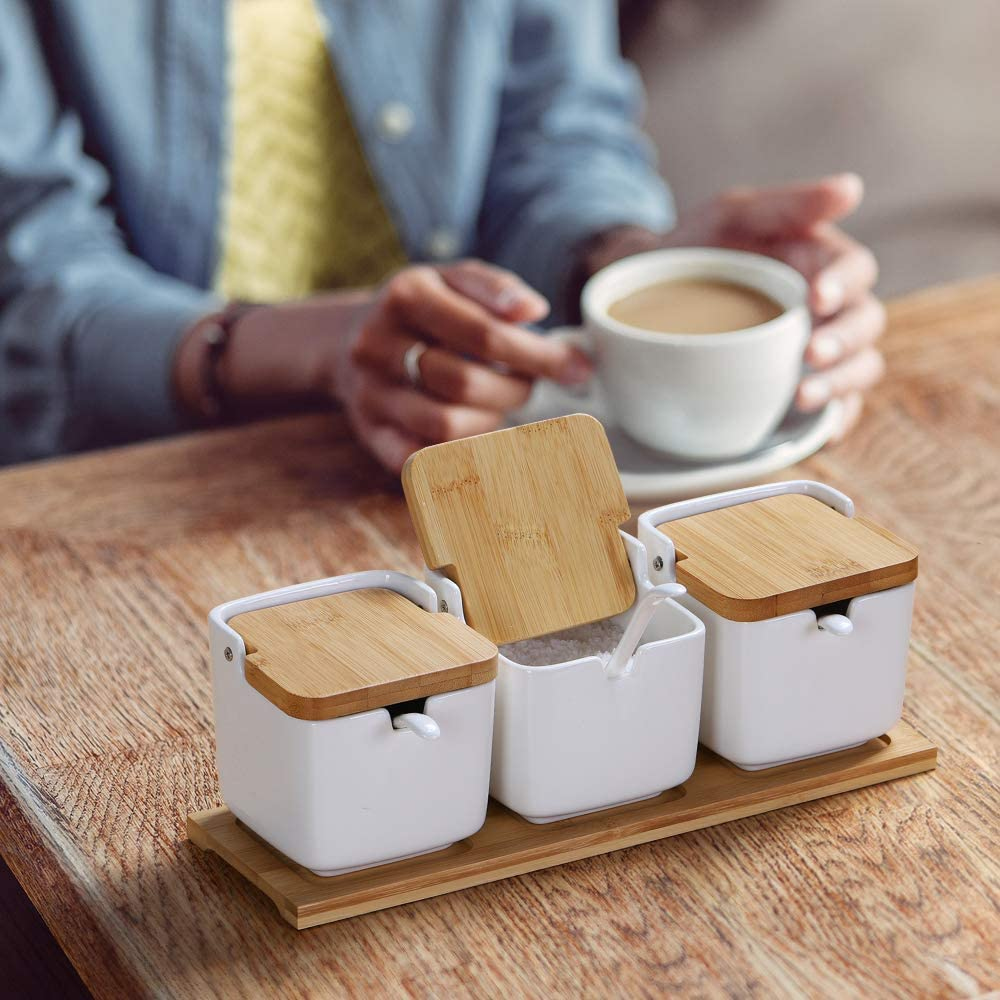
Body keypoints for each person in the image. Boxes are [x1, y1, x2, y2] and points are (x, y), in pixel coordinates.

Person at [0, 0, 883, 471]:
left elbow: (557, 131)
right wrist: (320, 347)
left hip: (471, 447)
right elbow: (32, 277)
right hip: (134, 483)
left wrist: (629, 270)